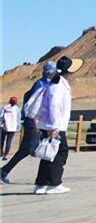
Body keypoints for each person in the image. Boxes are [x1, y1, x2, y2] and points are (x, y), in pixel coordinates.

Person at [1, 61, 56, 184]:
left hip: (38, 121)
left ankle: (47, 177)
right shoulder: (41, 85)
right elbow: (32, 105)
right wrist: (35, 121)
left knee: (45, 148)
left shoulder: (45, 84)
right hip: (34, 121)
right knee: (28, 149)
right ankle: (3, 171)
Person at [33, 56, 80, 194]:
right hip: (55, 125)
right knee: (60, 153)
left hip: (50, 124)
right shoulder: (58, 85)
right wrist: (55, 126)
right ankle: (54, 183)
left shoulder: (56, 83)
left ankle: (41, 184)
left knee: (48, 152)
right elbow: (54, 105)